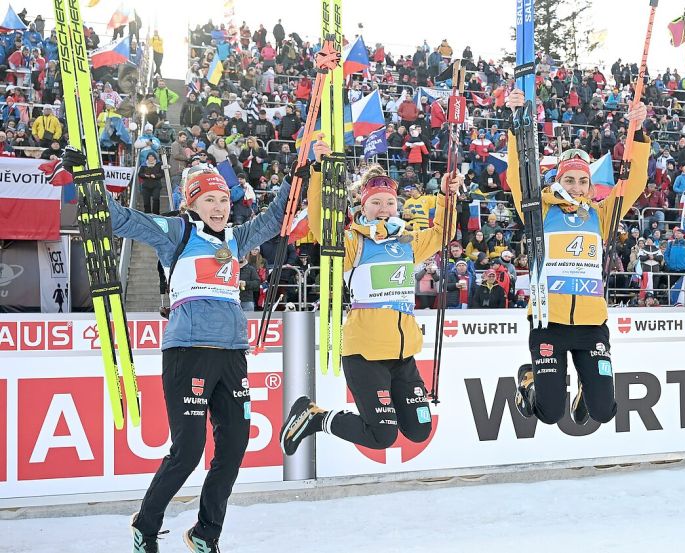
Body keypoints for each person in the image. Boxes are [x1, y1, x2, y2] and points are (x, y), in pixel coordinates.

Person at [73, 134, 303, 551]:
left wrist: (298, 175)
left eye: (223, 200)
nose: (219, 207)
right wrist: (87, 179)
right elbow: (121, 219)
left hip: (232, 353)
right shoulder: (175, 233)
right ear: (192, 204)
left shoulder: (234, 239)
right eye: (209, 200)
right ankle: (146, 522)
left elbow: (274, 220)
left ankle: (204, 533)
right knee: (189, 449)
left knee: (233, 447)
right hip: (188, 351)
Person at [280, 164, 460, 461]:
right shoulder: (353, 241)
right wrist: (318, 176)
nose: (384, 208)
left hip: (402, 356)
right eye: (376, 202)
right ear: (363, 205)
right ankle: (314, 417)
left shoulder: (408, 241)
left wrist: (445, 195)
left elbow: (443, 232)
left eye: (390, 202)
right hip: (364, 354)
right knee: (381, 436)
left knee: (419, 429)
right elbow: (320, 225)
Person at [506, 89, 649, 427]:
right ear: (557, 180)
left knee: (603, 411)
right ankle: (529, 379)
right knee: (549, 412)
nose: (576, 186)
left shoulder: (600, 215)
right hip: (548, 322)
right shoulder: (537, 210)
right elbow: (517, 176)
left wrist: (639, 132)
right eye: (569, 179)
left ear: (590, 184)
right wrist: (516, 126)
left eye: (583, 180)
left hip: (590, 325)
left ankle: (587, 384)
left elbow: (636, 181)